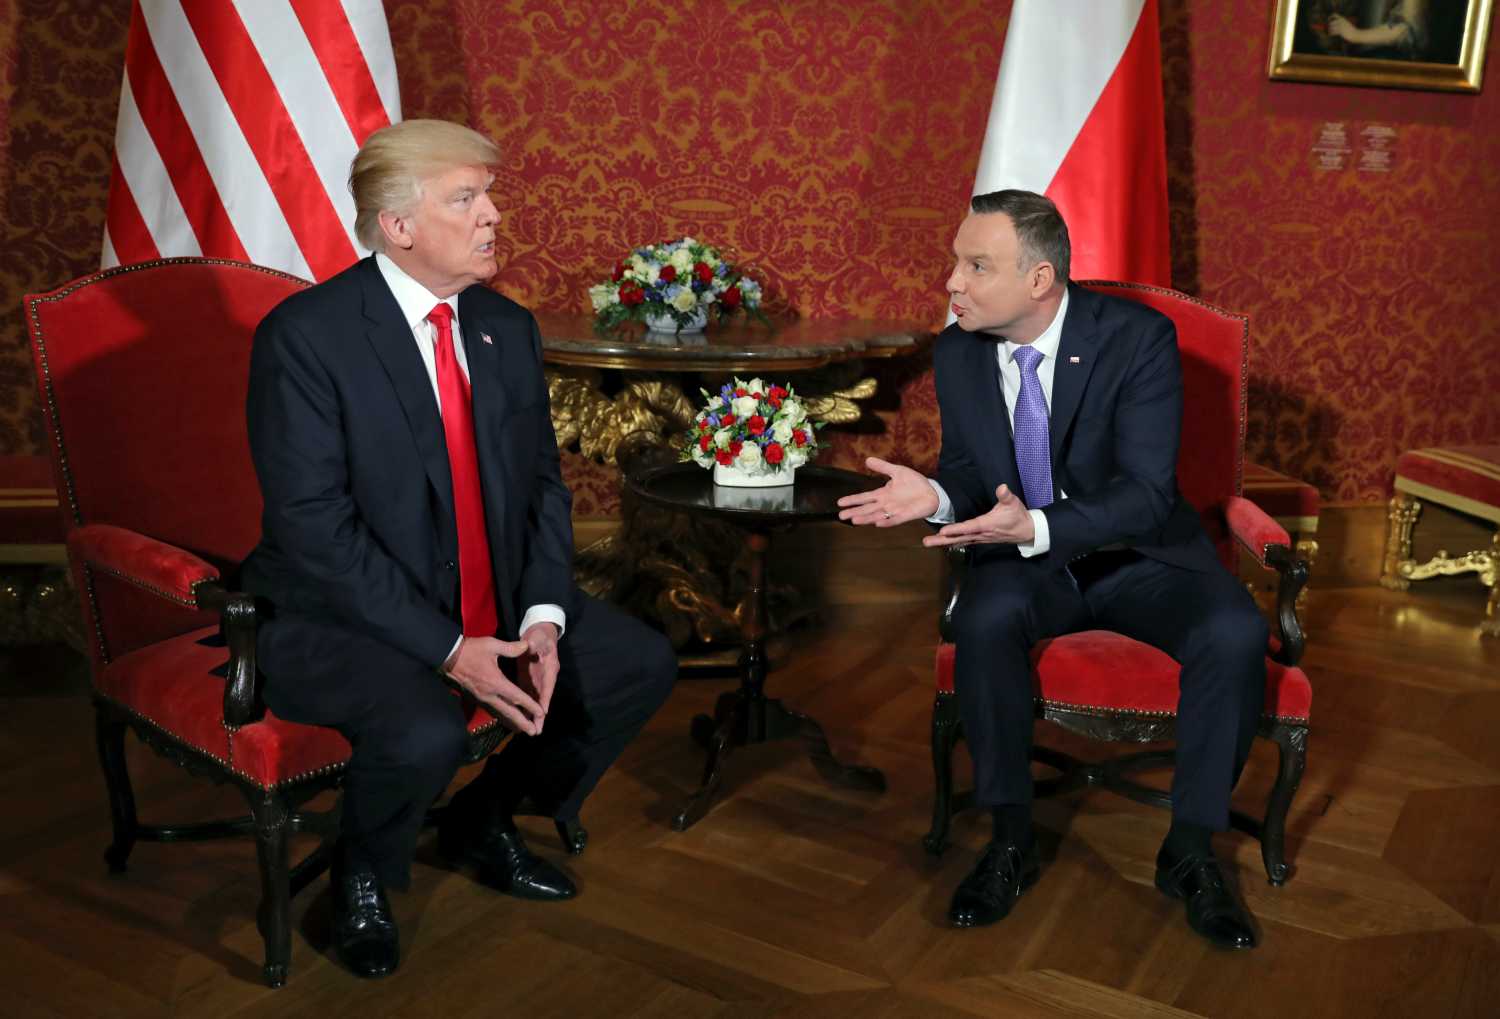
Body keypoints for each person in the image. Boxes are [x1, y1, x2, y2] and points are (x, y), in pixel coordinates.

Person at [243, 119, 677, 979]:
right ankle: (362, 875)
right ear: (398, 226)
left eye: (490, 195)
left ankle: (487, 816)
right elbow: (313, 528)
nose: (494, 216)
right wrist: (447, 648)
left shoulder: (502, 326)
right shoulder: (307, 336)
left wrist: (546, 616)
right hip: (345, 613)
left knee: (633, 663)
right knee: (422, 724)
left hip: (493, 594)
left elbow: (542, 487)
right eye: (467, 198)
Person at [837, 190, 1268, 950]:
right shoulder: (959, 349)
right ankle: (1009, 839)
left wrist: (1035, 524)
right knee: (984, 616)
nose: (952, 283)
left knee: (1233, 629)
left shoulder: (1138, 339)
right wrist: (935, 493)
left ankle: (1191, 852)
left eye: (976, 265)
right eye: (955, 262)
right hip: (1025, 561)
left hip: (1141, 555)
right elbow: (972, 472)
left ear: (1040, 280)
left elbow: (1144, 493)